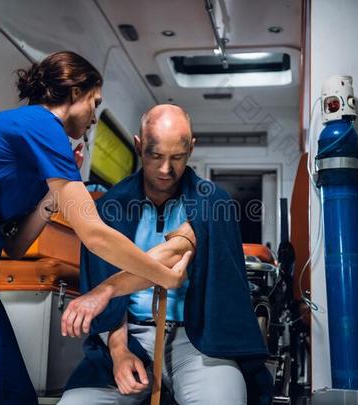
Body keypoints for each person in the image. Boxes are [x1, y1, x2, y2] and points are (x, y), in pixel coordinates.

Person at [0, 52, 191, 405]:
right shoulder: (41, 125)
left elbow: (14, 246)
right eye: (95, 103)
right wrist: (161, 275)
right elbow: (93, 233)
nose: (94, 117)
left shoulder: (36, 145)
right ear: (75, 92)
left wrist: (51, 196)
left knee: (17, 395)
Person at [58, 105, 273, 405]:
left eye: (177, 157)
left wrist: (105, 290)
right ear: (138, 145)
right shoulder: (109, 207)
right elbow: (109, 303)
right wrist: (119, 353)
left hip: (198, 341)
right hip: (128, 335)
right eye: (155, 155)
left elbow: (174, 251)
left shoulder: (214, 203)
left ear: (191, 148)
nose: (165, 169)